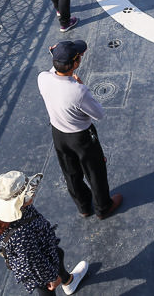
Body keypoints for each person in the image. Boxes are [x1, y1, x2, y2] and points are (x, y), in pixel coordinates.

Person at [38, 40, 124, 220]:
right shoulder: (78, 91)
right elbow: (98, 114)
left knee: (70, 173)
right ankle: (103, 207)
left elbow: (56, 70)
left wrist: (58, 54)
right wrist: (83, 86)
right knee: (95, 172)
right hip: (81, 138)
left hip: (59, 134)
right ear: (75, 64)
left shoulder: (43, 78)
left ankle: (84, 206)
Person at [0, 170, 89, 295]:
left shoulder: (16, 211)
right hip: (40, 270)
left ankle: (68, 281)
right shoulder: (22, 235)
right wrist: (52, 277)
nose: (33, 193)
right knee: (46, 290)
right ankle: (65, 281)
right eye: (28, 193)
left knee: (58, 254)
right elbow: (34, 262)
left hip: (42, 249)